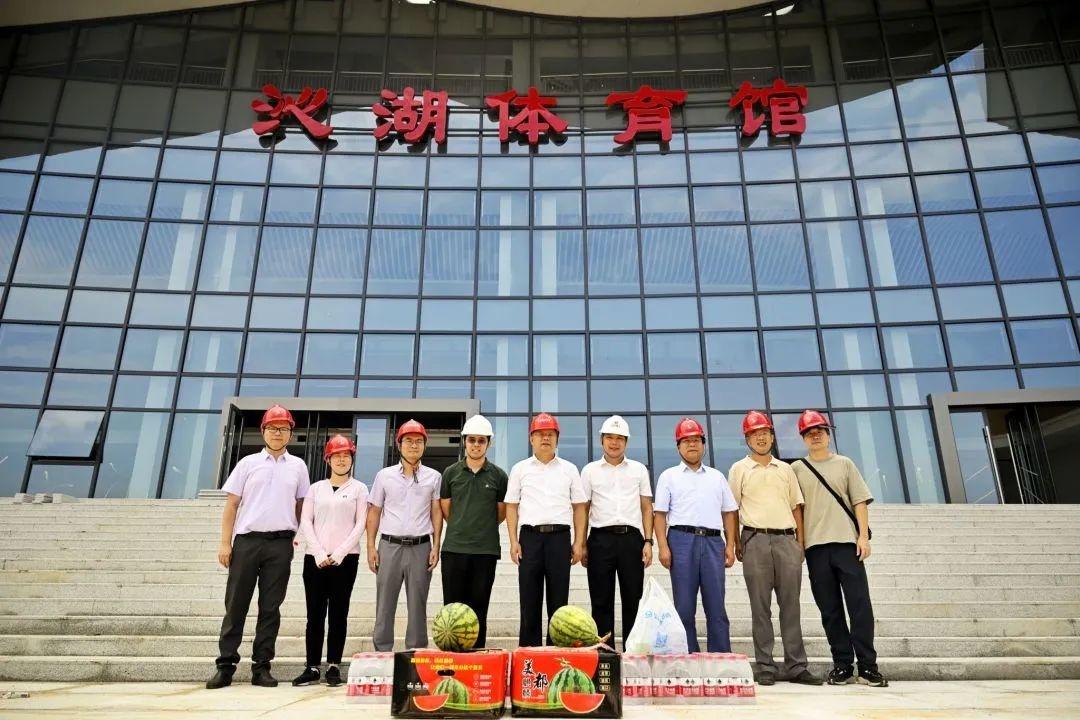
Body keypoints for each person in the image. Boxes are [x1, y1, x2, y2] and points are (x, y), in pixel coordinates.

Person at [207, 404, 310, 689]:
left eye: (284, 429)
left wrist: (296, 534)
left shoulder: (298, 466)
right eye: (273, 428)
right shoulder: (247, 463)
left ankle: (262, 666)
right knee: (236, 604)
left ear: (290, 434)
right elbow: (231, 505)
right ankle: (225, 666)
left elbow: (301, 505)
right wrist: (225, 543)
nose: (278, 433)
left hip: (280, 544)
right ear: (263, 431)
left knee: (270, 607)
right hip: (247, 543)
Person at [791, 410, 888, 687]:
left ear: (828, 434)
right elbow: (796, 509)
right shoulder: (796, 469)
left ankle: (868, 667)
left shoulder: (845, 464)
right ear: (803, 438)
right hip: (816, 549)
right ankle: (842, 665)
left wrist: (863, 537)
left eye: (820, 431)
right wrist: (799, 544)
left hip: (847, 544)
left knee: (860, 606)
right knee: (830, 610)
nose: (815, 436)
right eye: (810, 433)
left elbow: (859, 501)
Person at [728, 411, 821, 686]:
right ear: (747, 439)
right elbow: (731, 509)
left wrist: (799, 543)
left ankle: (797, 666)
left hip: (786, 540)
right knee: (760, 608)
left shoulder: (785, 469)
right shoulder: (739, 469)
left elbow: (796, 507)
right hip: (755, 539)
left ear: (772, 437)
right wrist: (734, 542)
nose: (761, 438)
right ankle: (765, 666)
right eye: (755, 434)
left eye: (765, 433)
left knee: (791, 606)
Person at [653, 417, 738, 653]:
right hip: (681, 541)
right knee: (684, 606)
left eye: (696, 440)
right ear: (678, 446)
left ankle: (720, 657)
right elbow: (659, 515)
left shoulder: (717, 476)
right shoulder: (668, 476)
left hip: (712, 542)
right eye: (686, 440)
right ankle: (688, 656)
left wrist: (730, 545)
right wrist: (663, 546)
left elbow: (729, 513)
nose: (692, 444)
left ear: (703, 444)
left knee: (716, 606)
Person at [505, 412, 588, 647]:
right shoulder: (520, 469)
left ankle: (556, 650)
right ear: (531, 438)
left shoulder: (569, 469)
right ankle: (528, 651)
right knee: (529, 599)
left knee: (558, 600)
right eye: (540, 434)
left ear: (557, 439)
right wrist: (513, 541)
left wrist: (579, 542)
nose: (545, 438)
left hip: (559, 539)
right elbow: (511, 506)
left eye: (550, 434)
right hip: (529, 539)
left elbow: (579, 507)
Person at [293, 434, 368, 687]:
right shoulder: (316, 488)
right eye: (337, 456)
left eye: (346, 455)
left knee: (339, 613)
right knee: (314, 614)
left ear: (352, 459)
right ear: (328, 459)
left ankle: (334, 665)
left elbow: (360, 523)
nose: (342, 460)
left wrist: (339, 553)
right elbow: (306, 521)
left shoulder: (359, 489)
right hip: (314, 560)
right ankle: (312, 666)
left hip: (345, 561)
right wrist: (318, 552)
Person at [366, 419, 443, 651]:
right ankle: (382, 651)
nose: (414, 445)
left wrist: (436, 546)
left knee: (418, 604)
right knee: (385, 603)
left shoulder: (434, 477)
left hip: (421, 547)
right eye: (408, 441)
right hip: (390, 546)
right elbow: (374, 511)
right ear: (399, 445)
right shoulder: (384, 476)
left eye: (419, 441)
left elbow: (436, 512)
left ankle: (416, 652)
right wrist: (371, 546)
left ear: (424, 446)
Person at [580, 415, 653, 650]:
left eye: (620, 438)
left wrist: (648, 541)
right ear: (602, 440)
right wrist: (581, 543)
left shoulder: (639, 470)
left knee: (633, 598)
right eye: (610, 437)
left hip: (632, 540)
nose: (614, 442)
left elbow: (646, 507)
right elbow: (583, 508)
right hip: (600, 539)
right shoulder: (590, 471)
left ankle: (632, 652)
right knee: (601, 600)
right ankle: (606, 654)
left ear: (626, 442)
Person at [439, 414, 508, 648]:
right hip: (454, 549)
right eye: (471, 440)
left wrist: (480, 527)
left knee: (479, 608)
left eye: (481, 440)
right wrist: (462, 524)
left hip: (485, 551)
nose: (476, 445)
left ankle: (478, 656)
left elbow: (501, 513)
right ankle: (452, 656)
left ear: (489, 443)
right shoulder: (450, 473)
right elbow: (446, 509)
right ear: (464, 441)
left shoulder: (499, 476)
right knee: (452, 610)